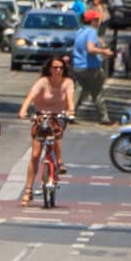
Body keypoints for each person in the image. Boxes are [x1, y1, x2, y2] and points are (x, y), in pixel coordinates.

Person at [17, 58, 76, 205]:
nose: (58, 70)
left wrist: (71, 112)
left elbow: (70, 99)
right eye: (55, 67)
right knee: (35, 155)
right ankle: (28, 191)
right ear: (49, 69)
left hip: (58, 116)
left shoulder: (68, 82)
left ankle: (60, 162)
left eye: (61, 68)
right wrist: (23, 110)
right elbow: (31, 96)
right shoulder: (43, 81)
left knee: (55, 132)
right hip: (41, 116)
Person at [71, 8, 114, 125]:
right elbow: (90, 49)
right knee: (97, 92)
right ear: (93, 20)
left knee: (78, 90)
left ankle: (70, 114)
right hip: (91, 67)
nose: (99, 22)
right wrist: (104, 52)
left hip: (78, 66)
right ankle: (104, 118)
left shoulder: (80, 31)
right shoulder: (91, 32)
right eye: (97, 19)